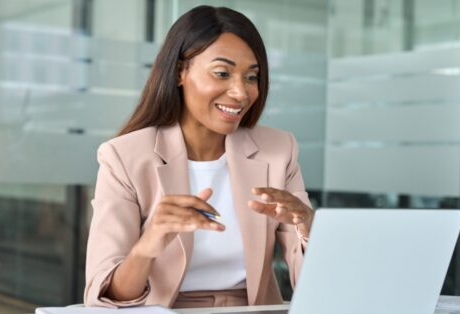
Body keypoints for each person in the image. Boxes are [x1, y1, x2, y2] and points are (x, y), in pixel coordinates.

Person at [84, 5, 314, 309]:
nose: (241, 93)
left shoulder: (278, 149)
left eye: (251, 77)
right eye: (222, 73)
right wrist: (148, 244)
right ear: (180, 72)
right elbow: (104, 298)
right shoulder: (124, 157)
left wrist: (309, 227)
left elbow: (314, 283)